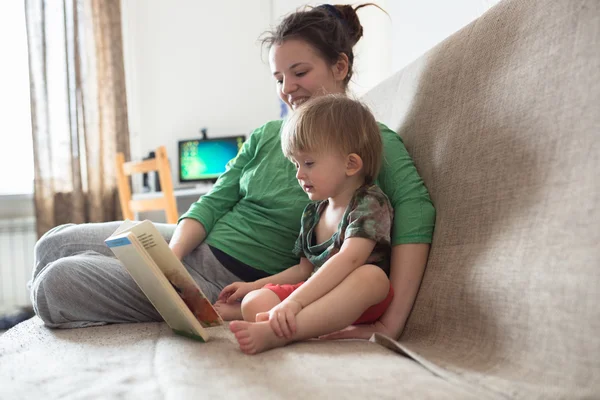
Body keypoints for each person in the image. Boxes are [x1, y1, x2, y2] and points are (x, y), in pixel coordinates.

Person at [29, 4, 435, 341]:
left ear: (340, 66)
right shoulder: (267, 134)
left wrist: (393, 321)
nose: (288, 87)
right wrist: (169, 262)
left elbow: (415, 210)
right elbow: (214, 201)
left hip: (227, 278)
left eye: (300, 72)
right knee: (53, 243)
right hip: (188, 247)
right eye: (279, 78)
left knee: (55, 283)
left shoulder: (370, 142)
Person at [221, 95, 393, 354]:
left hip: (358, 298)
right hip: (315, 294)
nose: (299, 174)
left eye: (309, 163)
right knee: (254, 302)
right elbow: (303, 272)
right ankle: (302, 325)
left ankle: (280, 332)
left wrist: (294, 303)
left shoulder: (369, 202)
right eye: (296, 164)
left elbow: (350, 260)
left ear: (351, 164)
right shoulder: (313, 212)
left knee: (373, 277)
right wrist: (254, 286)